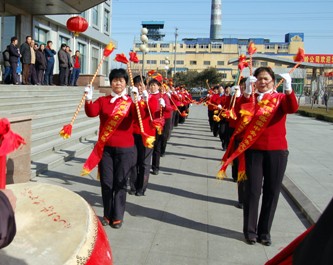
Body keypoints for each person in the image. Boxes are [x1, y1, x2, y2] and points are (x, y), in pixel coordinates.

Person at [240, 67, 298, 246]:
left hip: (277, 151)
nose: (262, 82)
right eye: (259, 79)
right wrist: (247, 93)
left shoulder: (280, 99)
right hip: (254, 150)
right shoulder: (251, 99)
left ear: (273, 81)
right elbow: (239, 114)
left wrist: (288, 88)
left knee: (272, 192)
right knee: (253, 191)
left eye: (266, 79)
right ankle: (250, 231)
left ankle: (264, 232)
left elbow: (292, 108)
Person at [84, 68, 137, 229]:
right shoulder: (103, 100)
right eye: (115, 80)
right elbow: (91, 113)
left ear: (126, 84)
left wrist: (137, 100)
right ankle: (107, 214)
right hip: (106, 149)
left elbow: (138, 116)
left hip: (125, 149)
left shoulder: (130, 102)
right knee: (107, 183)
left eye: (121, 80)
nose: (118, 83)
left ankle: (118, 216)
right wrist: (88, 98)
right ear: (111, 83)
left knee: (120, 183)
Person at [129, 75, 159, 196]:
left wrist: (146, 101)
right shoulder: (131, 98)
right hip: (134, 133)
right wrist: (133, 100)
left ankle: (142, 188)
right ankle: (133, 185)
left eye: (141, 85)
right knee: (133, 161)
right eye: (137, 85)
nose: (140, 88)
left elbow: (153, 111)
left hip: (147, 135)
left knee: (145, 163)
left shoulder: (151, 98)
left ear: (145, 86)